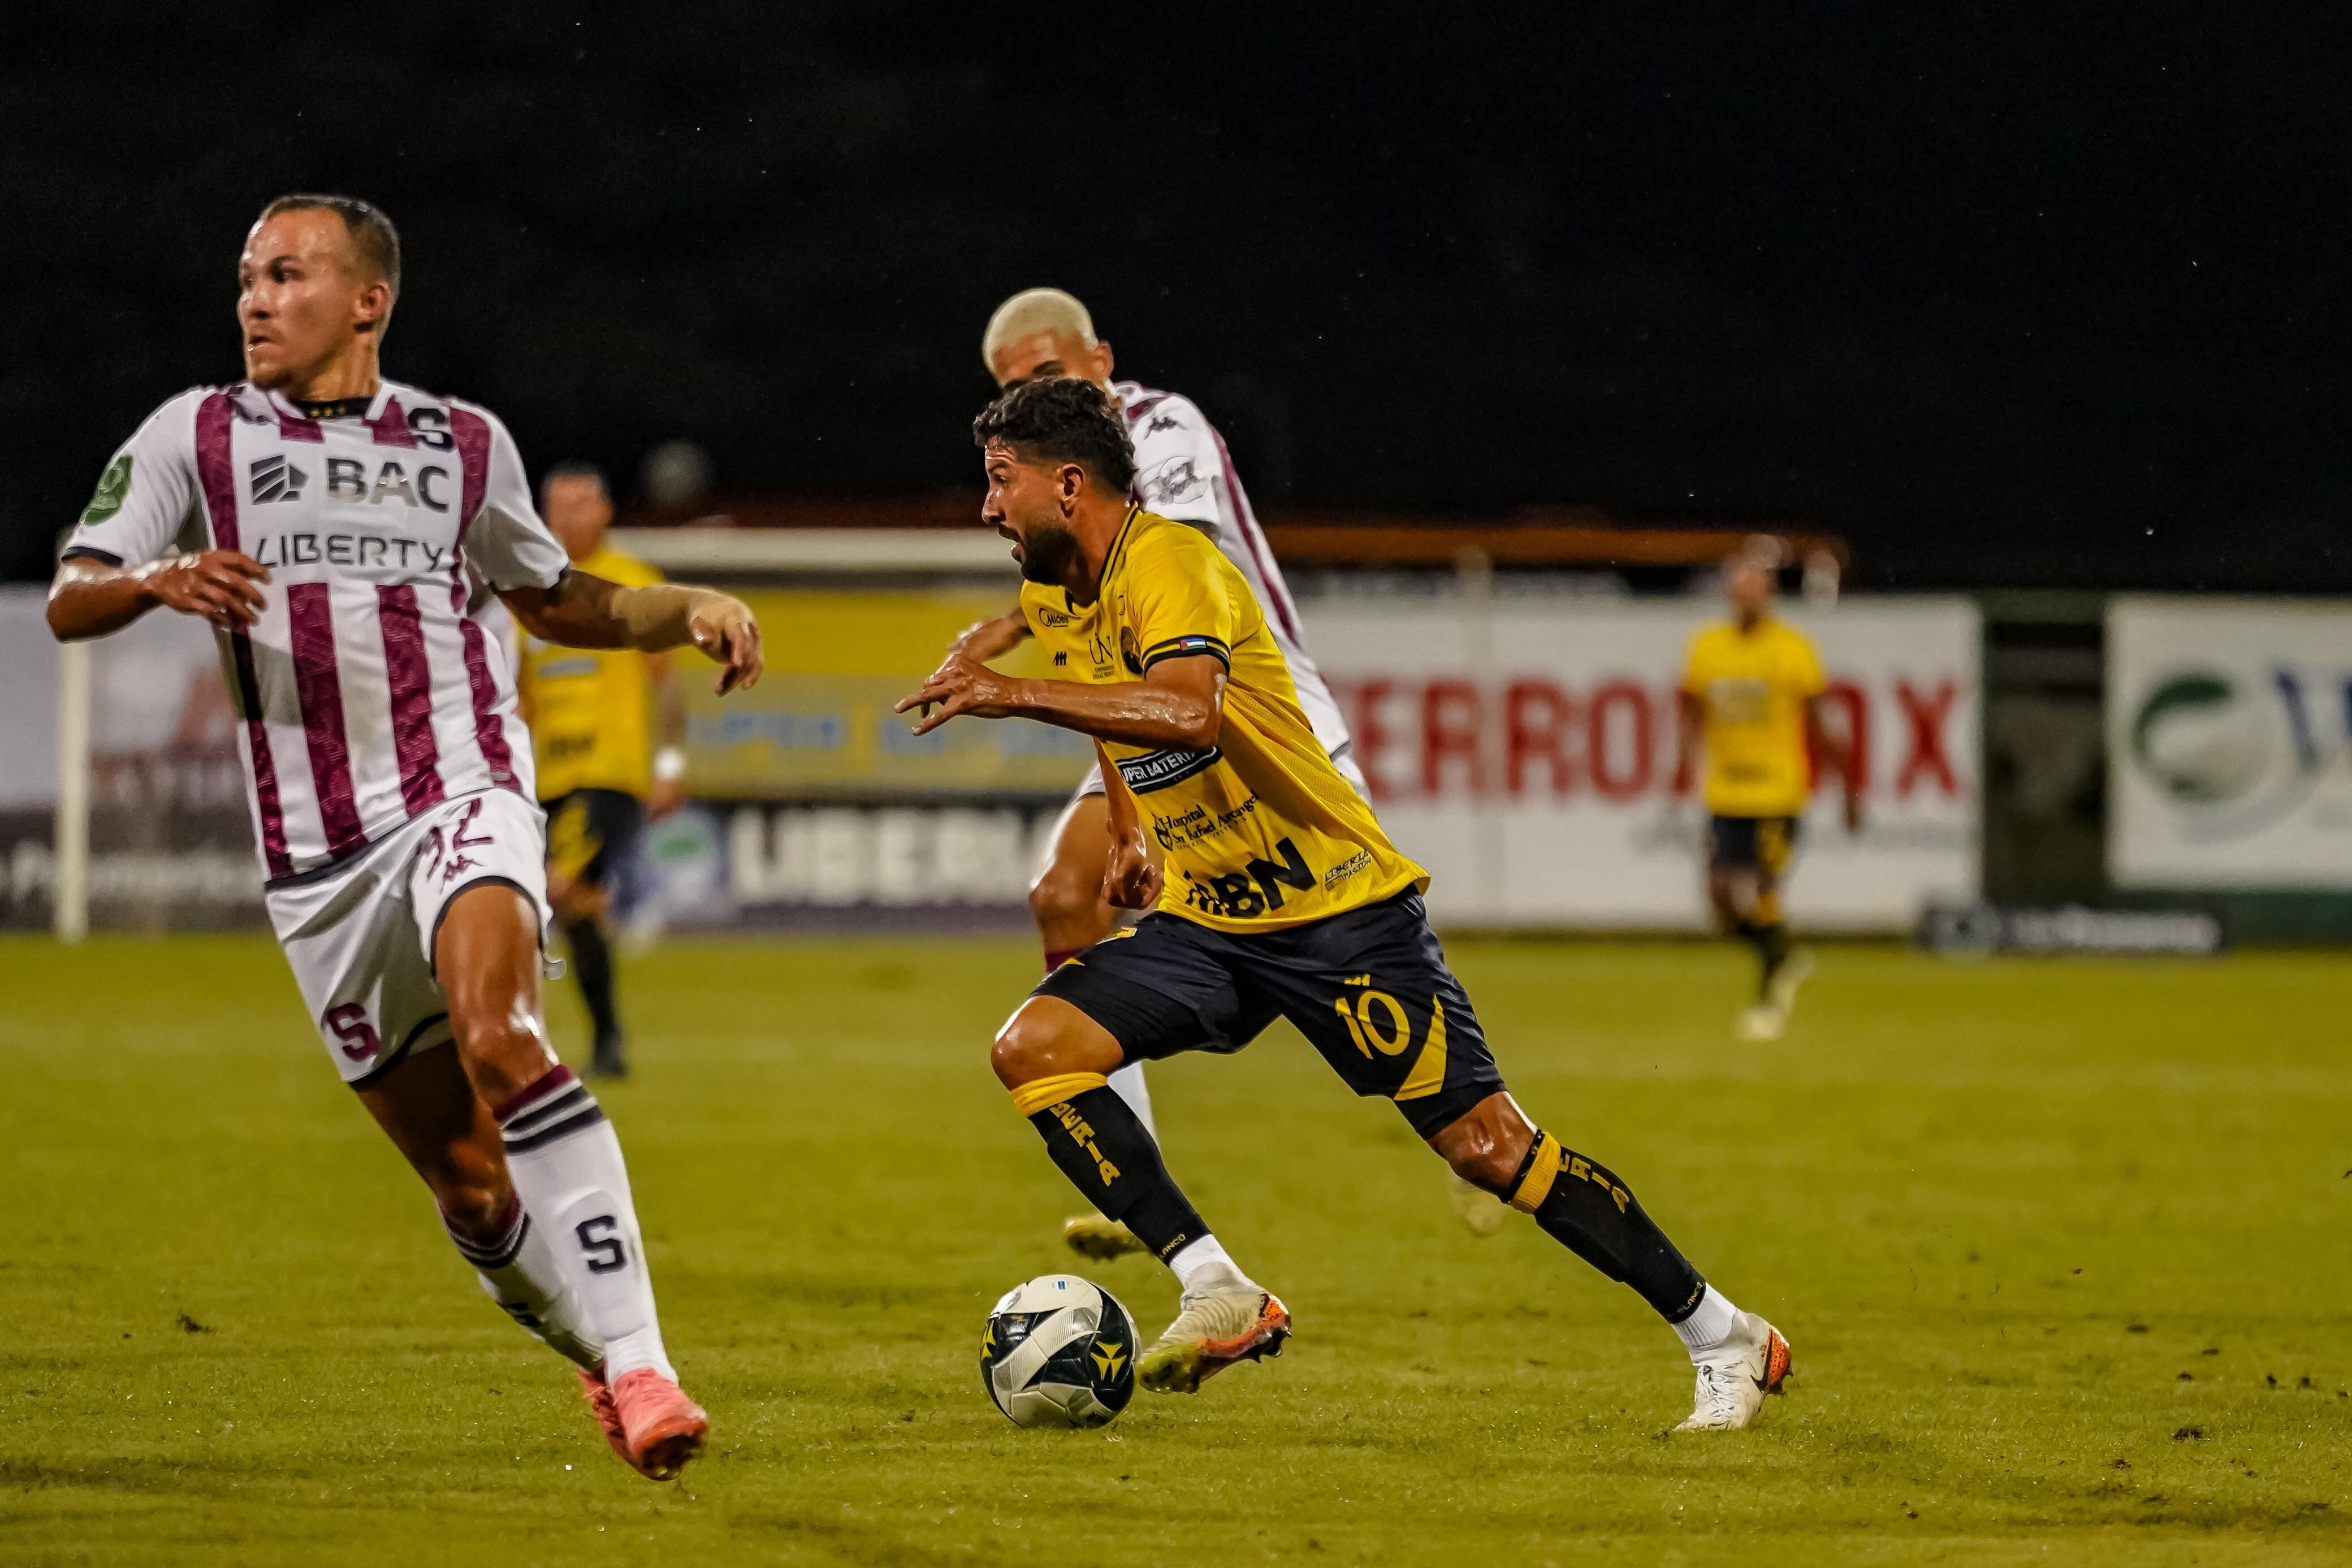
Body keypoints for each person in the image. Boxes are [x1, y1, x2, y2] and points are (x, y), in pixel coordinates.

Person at [897, 377, 1790, 1429]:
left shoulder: (1175, 562)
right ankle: (1216, 1284)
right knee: (1035, 1045)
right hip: (1211, 919)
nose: (989, 506)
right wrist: (1133, 828)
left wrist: (1010, 692)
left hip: (1337, 913)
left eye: (1003, 482)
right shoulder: (1060, 594)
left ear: (1071, 481)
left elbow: (1187, 710)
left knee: (1490, 1149)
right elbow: (1113, 703)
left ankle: (1723, 1331)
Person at [45, 194, 766, 1482]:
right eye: (248, 279)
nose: (255, 299)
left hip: (461, 795)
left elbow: (556, 598)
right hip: (316, 867)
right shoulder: (195, 434)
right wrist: (153, 579)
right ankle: (608, 1363)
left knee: (501, 1031)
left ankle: (648, 1363)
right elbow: (69, 592)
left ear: (367, 298)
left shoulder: (461, 442)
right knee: (470, 1188)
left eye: (286, 274)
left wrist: (683, 607)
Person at [956, 291, 1504, 1251]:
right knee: (1063, 893)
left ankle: (1481, 1128)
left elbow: (1164, 557)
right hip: (1146, 715)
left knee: (1355, 939)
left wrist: (1008, 633)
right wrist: (1122, 807)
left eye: (1050, 374)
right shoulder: (1043, 473)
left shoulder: (1161, 423)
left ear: (1100, 358)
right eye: (1016, 387)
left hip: (1254, 713)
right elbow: (1088, 614)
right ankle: (1137, 1174)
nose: (1037, 396)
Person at [515, 463, 684, 1078]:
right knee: (579, 906)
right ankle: (607, 1042)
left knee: (558, 888)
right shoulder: (527, 594)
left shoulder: (634, 584)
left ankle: (524, 1041)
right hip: (544, 776)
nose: (568, 515)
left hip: (609, 769)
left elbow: (666, 685)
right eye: (558, 504)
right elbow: (517, 696)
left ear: (606, 512)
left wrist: (668, 766)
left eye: (582, 503)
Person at [1676, 541, 1863, 1041]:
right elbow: (1692, 714)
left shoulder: (1792, 648)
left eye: (1755, 588)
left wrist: (1848, 789)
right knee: (1719, 900)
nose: (1746, 597)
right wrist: (1680, 769)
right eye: (1739, 588)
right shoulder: (1707, 647)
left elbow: (1821, 725)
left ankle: (1769, 1000)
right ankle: (1782, 955)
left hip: (1779, 793)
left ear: (1770, 595)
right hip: (1725, 794)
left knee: (1761, 889)